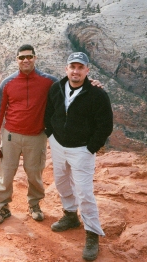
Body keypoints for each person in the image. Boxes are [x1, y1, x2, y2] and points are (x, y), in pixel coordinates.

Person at [44, 52, 113, 261]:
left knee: (84, 192)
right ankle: (70, 216)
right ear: (66, 69)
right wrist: (50, 134)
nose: (75, 71)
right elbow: (49, 112)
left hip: (82, 149)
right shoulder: (56, 88)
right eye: (72, 67)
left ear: (87, 70)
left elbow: (105, 125)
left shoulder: (97, 94)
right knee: (61, 181)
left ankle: (92, 233)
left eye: (80, 67)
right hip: (58, 144)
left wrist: (91, 147)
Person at [0, 44, 57, 224]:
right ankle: (2, 207)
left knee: (34, 172)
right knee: (6, 172)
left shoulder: (49, 82)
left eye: (29, 56)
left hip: (37, 136)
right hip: (11, 135)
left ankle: (34, 204)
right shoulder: (8, 83)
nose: (25, 60)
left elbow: (72, 87)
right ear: (16, 60)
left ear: (35, 58)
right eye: (21, 57)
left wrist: (92, 84)